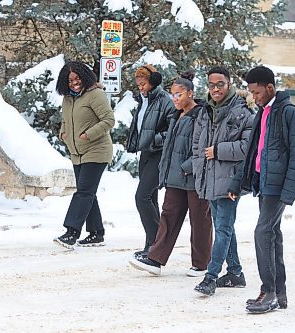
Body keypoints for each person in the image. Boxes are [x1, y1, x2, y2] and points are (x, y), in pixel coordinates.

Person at [228, 66, 295, 313]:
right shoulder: (263, 113)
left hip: (279, 186)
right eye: (251, 92)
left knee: (262, 232)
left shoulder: (290, 114)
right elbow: (252, 152)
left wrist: (290, 190)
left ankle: (269, 292)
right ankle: (279, 293)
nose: (254, 97)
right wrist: (237, 182)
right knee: (272, 235)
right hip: (264, 184)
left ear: (270, 87)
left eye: (256, 91)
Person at [128, 71, 213, 276]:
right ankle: (155, 259)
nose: (175, 98)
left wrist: (187, 168)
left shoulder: (201, 115)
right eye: (173, 94)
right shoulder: (176, 116)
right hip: (175, 177)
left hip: (195, 178)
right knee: (169, 216)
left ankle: (201, 264)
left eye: (179, 94)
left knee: (199, 220)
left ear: (190, 94)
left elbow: (204, 147)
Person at [192, 67, 254, 296]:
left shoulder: (242, 113)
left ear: (229, 85)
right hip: (209, 178)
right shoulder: (204, 111)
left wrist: (218, 150)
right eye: (212, 85)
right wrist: (199, 169)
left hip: (230, 181)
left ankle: (211, 276)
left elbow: (248, 148)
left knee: (223, 228)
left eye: (220, 84)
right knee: (223, 228)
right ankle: (236, 272)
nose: (216, 89)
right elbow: (198, 146)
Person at [53, 61, 115, 250]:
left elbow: (109, 120)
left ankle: (72, 232)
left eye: (77, 78)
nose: (74, 83)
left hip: (97, 151)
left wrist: (89, 134)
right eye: (70, 80)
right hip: (77, 153)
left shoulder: (95, 95)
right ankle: (96, 233)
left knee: (84, 192)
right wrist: (63, 133)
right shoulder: (68, 98)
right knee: (88, 193)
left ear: (85, 76)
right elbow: (66, 120)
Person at [126, 64, 176, 259]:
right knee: (151, 198)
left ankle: (158, 245)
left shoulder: (165, 101)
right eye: (138, 84)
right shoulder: (144, 100)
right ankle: (151, 244)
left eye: (143, 83)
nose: (140, 87)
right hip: (145, 153)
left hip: (159, 153)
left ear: (153, 82)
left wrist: (154, 140)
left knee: (142, 197)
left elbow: (172, 128)